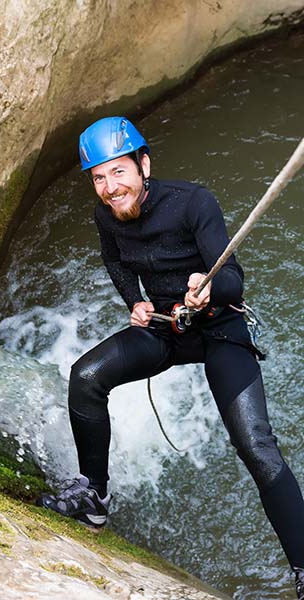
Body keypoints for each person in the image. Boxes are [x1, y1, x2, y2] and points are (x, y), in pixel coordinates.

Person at [36, 116, 304, 598]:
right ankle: (95, 495)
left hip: (217, 328)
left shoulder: (192, 203)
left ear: (144, 165)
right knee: (86, 376)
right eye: (99, 178)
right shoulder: (106, 215)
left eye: (118, 172)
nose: (110, 188)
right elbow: (114, 258)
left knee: (258, 449)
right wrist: (132, 301)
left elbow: (233, 278)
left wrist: (207, 290)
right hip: (164, 328)